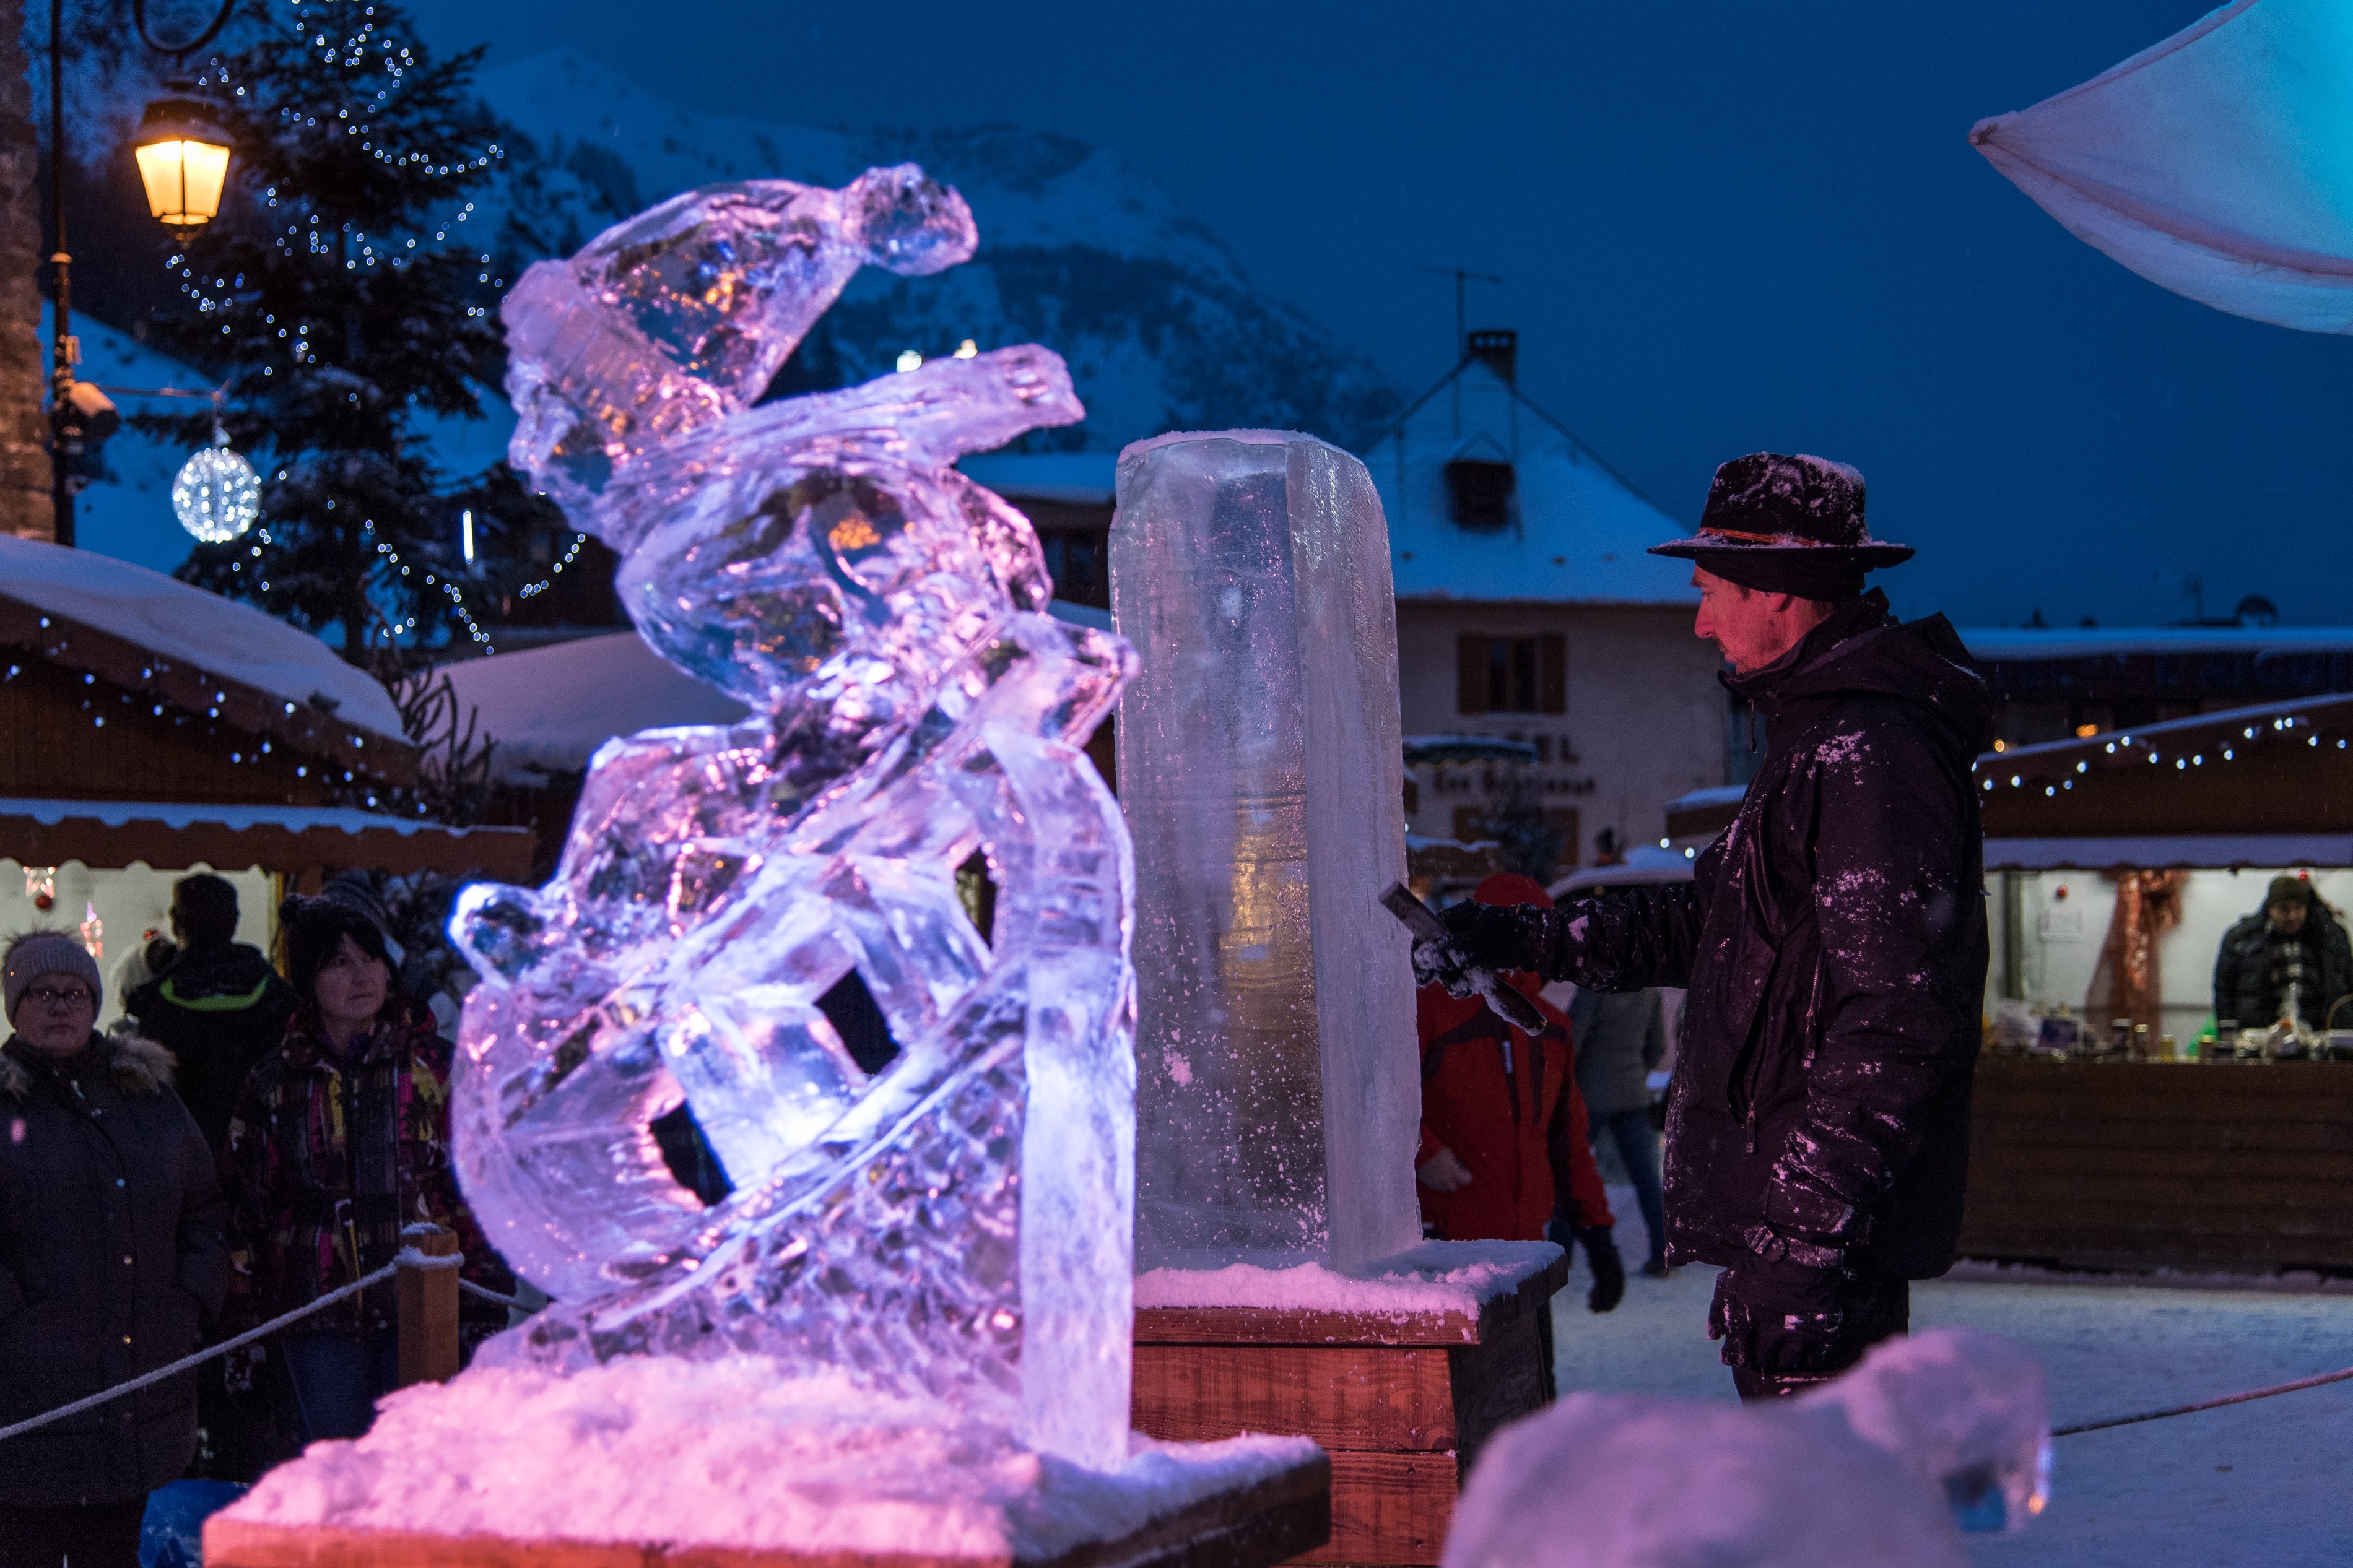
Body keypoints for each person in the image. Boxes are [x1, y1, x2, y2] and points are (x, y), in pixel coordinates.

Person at [1423, 453, 1991, 1400]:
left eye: (1712, 589)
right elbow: (1718, 925)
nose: (1700, 620)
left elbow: (1896, 1020)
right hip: (1805, 1233)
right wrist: (1531, 938)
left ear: (1778, 591)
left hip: (1823, 1244)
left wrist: (1803, 1235)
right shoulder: (1817, 738)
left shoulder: (1865, 753)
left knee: (1828, 1528)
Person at [223, 897, 510, 1447]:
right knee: (337, 1484)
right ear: (308, 981)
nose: (361, 975)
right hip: (317, 1319)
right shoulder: (274, 1081)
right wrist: (244, 1330)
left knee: (420, 1480)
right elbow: (245, 1208)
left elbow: (482, 1190)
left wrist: (484, 1300)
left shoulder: (438, 1068)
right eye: (337, 962)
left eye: (370, 957)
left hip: (428, 1309)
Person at [0, 933, 227, 1568]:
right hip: (28, 1392)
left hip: (137, 1380)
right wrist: (17, 1321)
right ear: (15, 1004)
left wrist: (189, 1297)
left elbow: (203, 1205)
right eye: (41, 992)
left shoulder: (148, 1097)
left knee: (112, 1547)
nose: (60, 1005)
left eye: (74, 992)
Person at [1417, 873, 1624, 1320]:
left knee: (1535, 1385)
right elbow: (1378, 1103)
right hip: (1448, 1259)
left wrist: (1597, 1232)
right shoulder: (1434, 1008)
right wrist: (1423, 1151)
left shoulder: (1551, 1028)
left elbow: (1567, 1141)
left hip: (1525, 1255)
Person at [125, 873, 295, 1158]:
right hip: (269, 1152)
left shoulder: (157, 1001)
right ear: (234, 921)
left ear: (177, 922)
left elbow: (150, 1098)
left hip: (186, 1157)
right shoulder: (275, 994)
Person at [1567, 980, 1671, 1276]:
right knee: (1647, 1178)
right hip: (1633, 1094)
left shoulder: (1593, 989)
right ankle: (1661, 1253)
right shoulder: (1649, 991)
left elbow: (1572, 1040)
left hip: (1590, 1096)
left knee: (1570, 1171)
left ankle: (1561, 1254)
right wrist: (1635, 1072)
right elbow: (1658, 1045)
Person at [2213, 876, 2353, 1034]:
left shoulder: (2330, 939)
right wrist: (2228, 1034)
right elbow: (2224, 989)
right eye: (2284, 909)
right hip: (2259, 1039)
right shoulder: (2241, 939)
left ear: (2307, 908)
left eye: (2298, 908)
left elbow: (2348, 986)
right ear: (2269, 908)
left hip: (2321, 1038)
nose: (2292, 916)